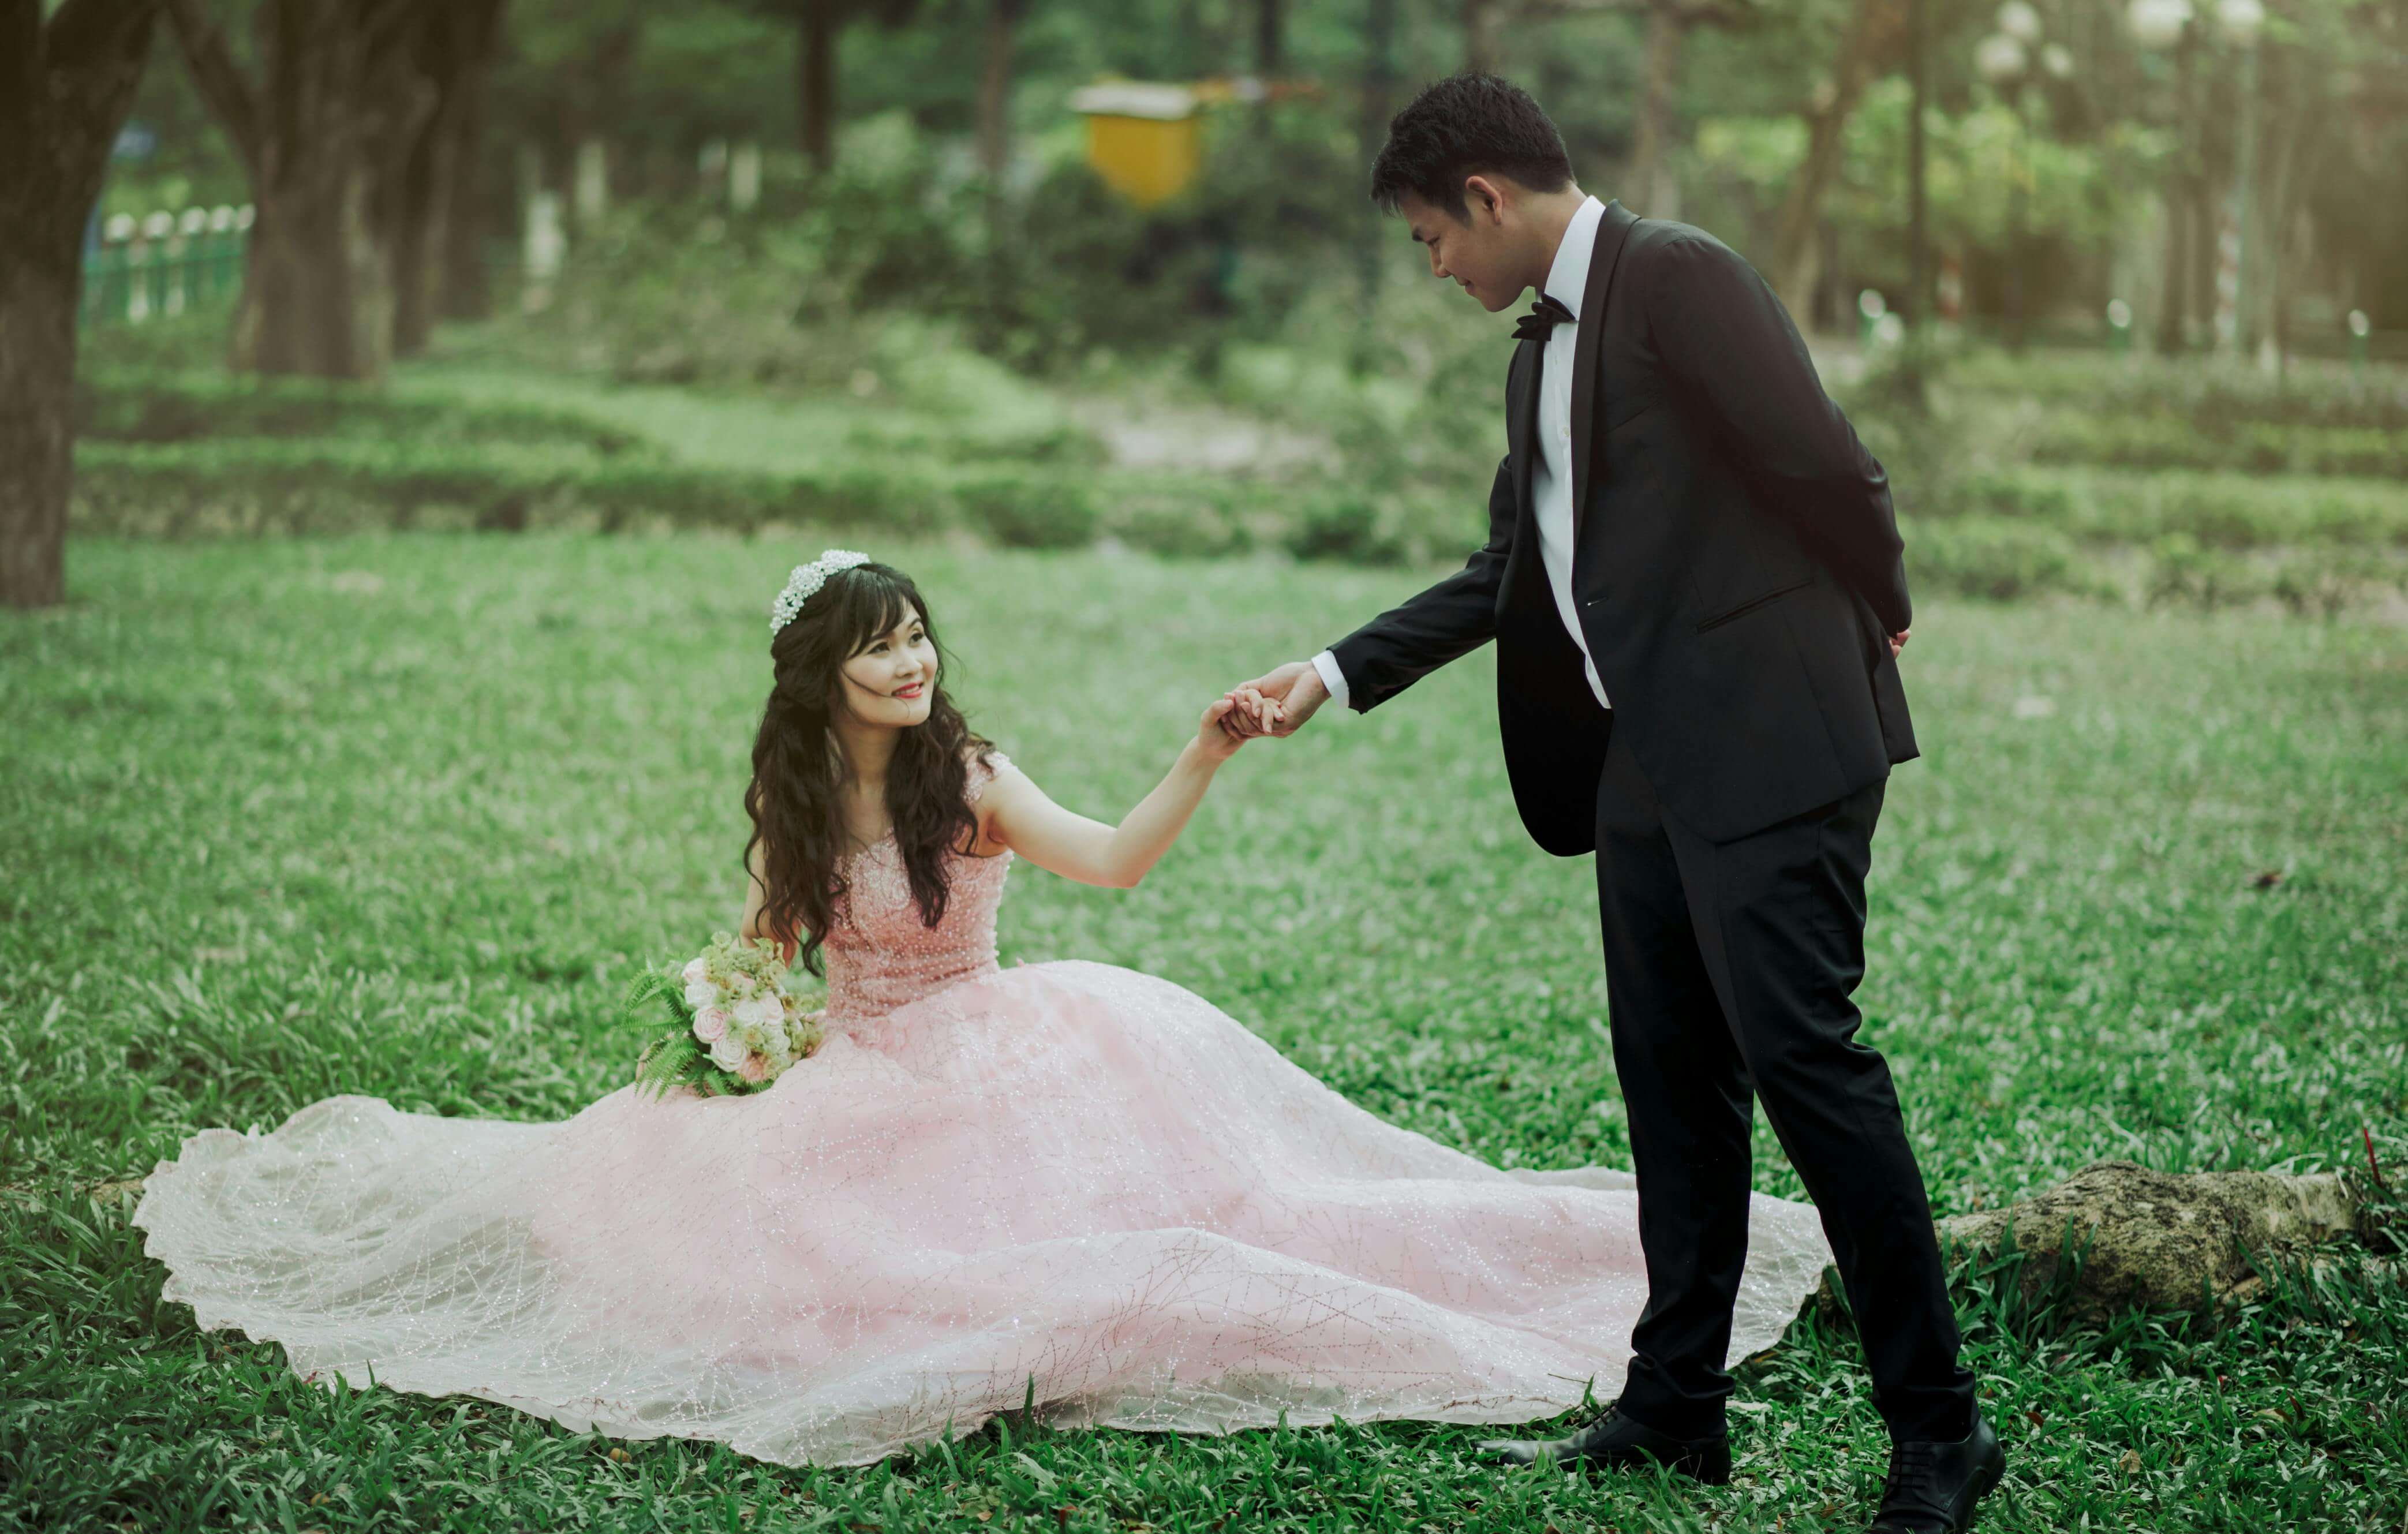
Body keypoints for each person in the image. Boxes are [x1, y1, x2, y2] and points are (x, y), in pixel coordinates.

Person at [131, 552, 1834, 1471]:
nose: (910, 663)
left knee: (1239, 1226)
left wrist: (1204, 750)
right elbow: (753, 953)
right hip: (862, 1070)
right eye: (878, 649)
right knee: (700, 1231)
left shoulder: (972, 775)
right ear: (823, 678)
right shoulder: (800, 805)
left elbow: (1109, 867)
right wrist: (727, 1038)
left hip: (1014, 1051)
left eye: (919, 637)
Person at [1220, 74, 2002, 1534]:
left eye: (1427, 240)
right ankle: (1673, 1410)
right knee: (1670, 1087)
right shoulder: (1536, 360)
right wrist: (1326, 672)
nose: (1433, 268)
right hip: (1641, 761)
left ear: (1486, 200)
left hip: (1773, 741)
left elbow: (1826, 461)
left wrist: (1880, 608)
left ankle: (1941, 1436)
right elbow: (1507, 568)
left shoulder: (1683, 277)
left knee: (1809, 1074)